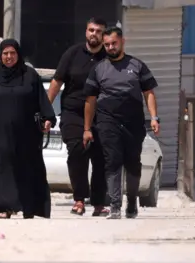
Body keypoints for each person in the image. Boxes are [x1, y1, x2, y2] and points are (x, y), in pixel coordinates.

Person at [0, 39, 56, 219]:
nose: (9, 57)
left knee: (27, 168)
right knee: (1, 168)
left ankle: (29, 207)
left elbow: (41, 100)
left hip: (27, 134)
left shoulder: (30, 75)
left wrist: (48, 119)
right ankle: (4, 207)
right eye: (5, 53)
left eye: (12, 53)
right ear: (0, 55)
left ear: (18, 54)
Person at [83, 27, 160, 219]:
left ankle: (132, 201)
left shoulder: (137, 65)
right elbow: (90, 100)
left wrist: (154, 117)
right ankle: (115, 206)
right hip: (107, 121)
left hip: (133, 122)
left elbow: (149, 93)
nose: (110, 47)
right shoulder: (98, 68)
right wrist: (86, 128)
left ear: (122, 42)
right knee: (112, 161)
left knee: (133, 163)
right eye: (107, 44)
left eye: (113, 43)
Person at [47, 17, 109, 216]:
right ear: (86, 32)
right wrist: (45, 110)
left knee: (100, 159)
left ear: (103, 35)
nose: (94, 34)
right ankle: (79, 199)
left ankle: (98, 203)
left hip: (101, 115)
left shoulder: (109, 58)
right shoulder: (72, 54)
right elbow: (56, 83)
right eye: (91, 30)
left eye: (98, 31)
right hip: (73, 113)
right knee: (76, 152)